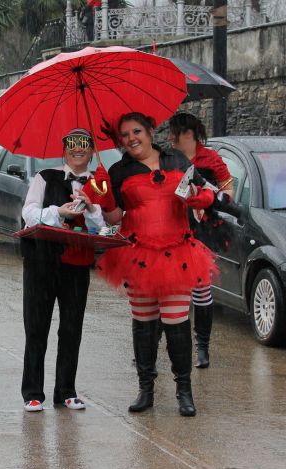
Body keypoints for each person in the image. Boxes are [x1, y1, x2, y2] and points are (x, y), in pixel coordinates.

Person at [93, 112, 217, 417]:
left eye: (136, 131)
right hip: (138, 255)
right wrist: (104, 196)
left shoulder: (177, 160)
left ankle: (184, 391)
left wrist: (199, 198)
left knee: (176, 325)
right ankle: (145, 389)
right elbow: (113, 218)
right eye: (124, 135)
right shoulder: (118, 171)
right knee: (144, 325)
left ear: (150, 131)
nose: (131, 138)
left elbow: (204, 193)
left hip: (177, 253)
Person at [19, 128, 105, 412]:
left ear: (92, 150)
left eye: (84, 145)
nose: (78, 150)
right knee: (36, 327)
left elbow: (101, 229)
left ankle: (66, 390)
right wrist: (59, 211)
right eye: (72, 145)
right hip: (41, 262)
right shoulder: (45, 176)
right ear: (64, 149)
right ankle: (33, 392)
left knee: (71, 328)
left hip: (76, 265)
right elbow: (29, 213)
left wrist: (91, 210)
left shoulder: (97, 184)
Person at [167, 112, 236, 369]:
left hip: (203, 229)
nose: (170, 138)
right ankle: (164, 342)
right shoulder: (168, 158)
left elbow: (228, 187)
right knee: (172, 288)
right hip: (173, 226)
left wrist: (219, 198)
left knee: (201, 288)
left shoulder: (211, 158)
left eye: (174, 132)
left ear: (189, 133)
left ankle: (202, 348)